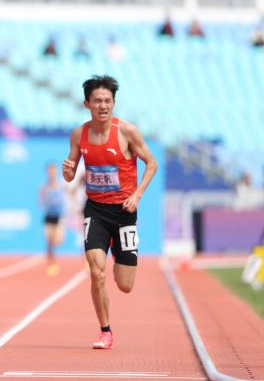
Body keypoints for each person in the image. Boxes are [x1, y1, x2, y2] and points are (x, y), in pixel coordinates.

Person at [62, 75, 157, 350]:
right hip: (95, 210)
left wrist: (137, 194)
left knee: (125, 284)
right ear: (86, 103)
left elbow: (151, 163)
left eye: (107, 101)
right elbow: (69, 173)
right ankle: (106, 331)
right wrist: (67, 172)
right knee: (96, 271)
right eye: (97, 101)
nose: (103, 106)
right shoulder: (79, 135)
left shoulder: (127, 132)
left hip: (125, 213)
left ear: (114, 103)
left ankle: (119, 253)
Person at [40, 162, 67, 276]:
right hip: (48, 217)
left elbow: (67, 198)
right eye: (50, 171)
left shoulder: (62, 186)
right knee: (49, 242)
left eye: (54, 171)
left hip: (59, 216)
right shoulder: (44, 187)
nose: (52, 173)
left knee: (58, 240)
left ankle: (52, 259)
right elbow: (40, 201)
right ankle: (51, 263)